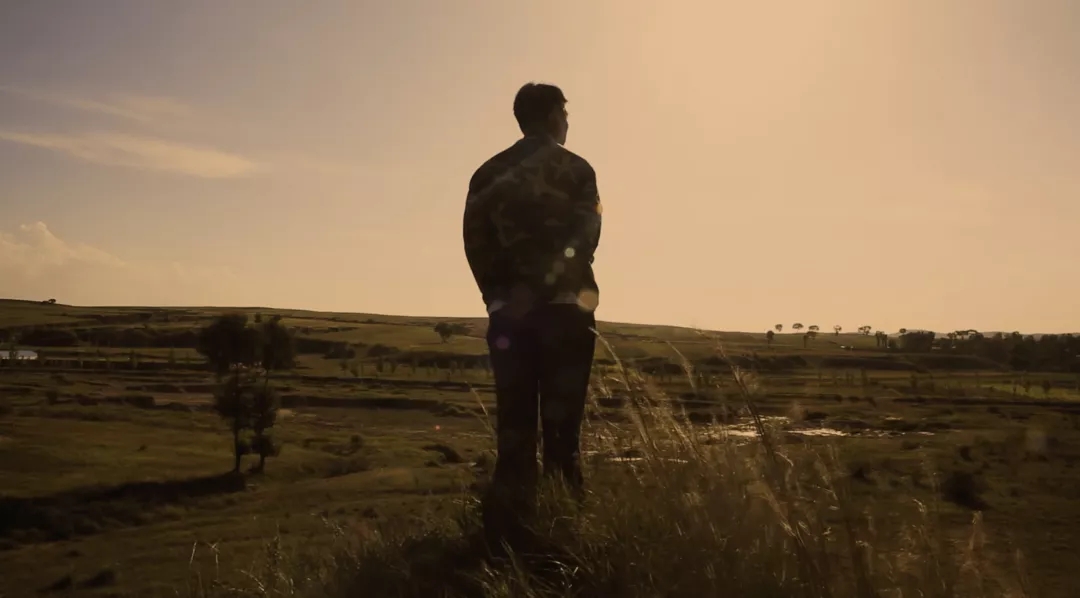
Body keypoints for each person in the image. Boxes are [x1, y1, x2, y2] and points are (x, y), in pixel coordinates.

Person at [462, 82, 602, 551]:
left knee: (515, 430)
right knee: (563, 436)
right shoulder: (577, 169)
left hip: (511, 320)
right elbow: (586, 238)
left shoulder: (487, 173)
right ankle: (565, 539)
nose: (567, 122)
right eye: (565, 114)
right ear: (553, 116)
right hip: (566, 314)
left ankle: (505, 540)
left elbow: (475, 242)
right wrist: (551, 287)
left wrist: (499, 298)